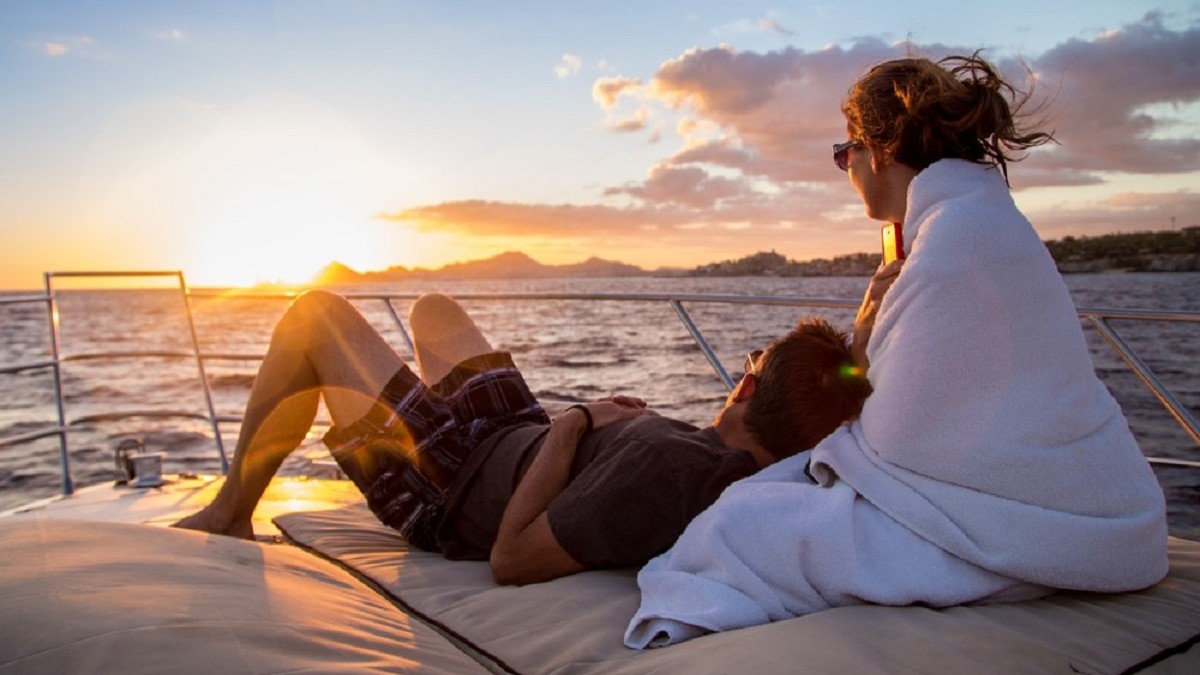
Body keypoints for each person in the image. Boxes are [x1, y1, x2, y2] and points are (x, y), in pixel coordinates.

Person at [624, 52, 1169, 648]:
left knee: (737, 525)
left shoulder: (948, 242)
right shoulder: (985, 223)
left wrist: (831, 443)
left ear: (875, 150)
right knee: (769, 494)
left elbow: (899, 443)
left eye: (843, 154)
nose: (846, 169)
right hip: (1086, 501)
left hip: (1013, 518)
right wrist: (865, 335)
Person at [176, 290, 872, 585]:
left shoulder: (668, 470)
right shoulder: (736, 464)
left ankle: (231, 513)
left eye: (751, 361)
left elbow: (511, 556)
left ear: (748, 387)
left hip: (455, 478)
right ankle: (427, 397)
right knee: (432, 308)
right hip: (518, 433)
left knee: (313, 317)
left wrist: (575, 423)